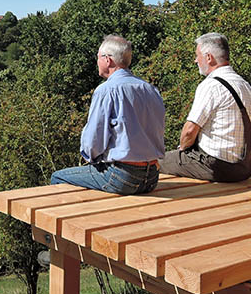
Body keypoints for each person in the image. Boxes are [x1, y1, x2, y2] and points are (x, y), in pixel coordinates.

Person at [49, 34, 165, 195]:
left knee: (58, 177)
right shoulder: (150, 89)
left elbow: (94, 140)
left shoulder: (106, 90)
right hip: (152, 176)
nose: (96, 62)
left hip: (122, 176)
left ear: (107, 60)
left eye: (98, 57)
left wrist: (89, 156)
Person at [159, 33, 251, 182]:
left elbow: (189, 132)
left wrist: (182, 150)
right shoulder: (244, 84)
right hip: (245, 168)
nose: (195, 60)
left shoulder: (211, 85)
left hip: (216, 167)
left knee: (157, 161)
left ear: (209, 58)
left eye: (197, 55)